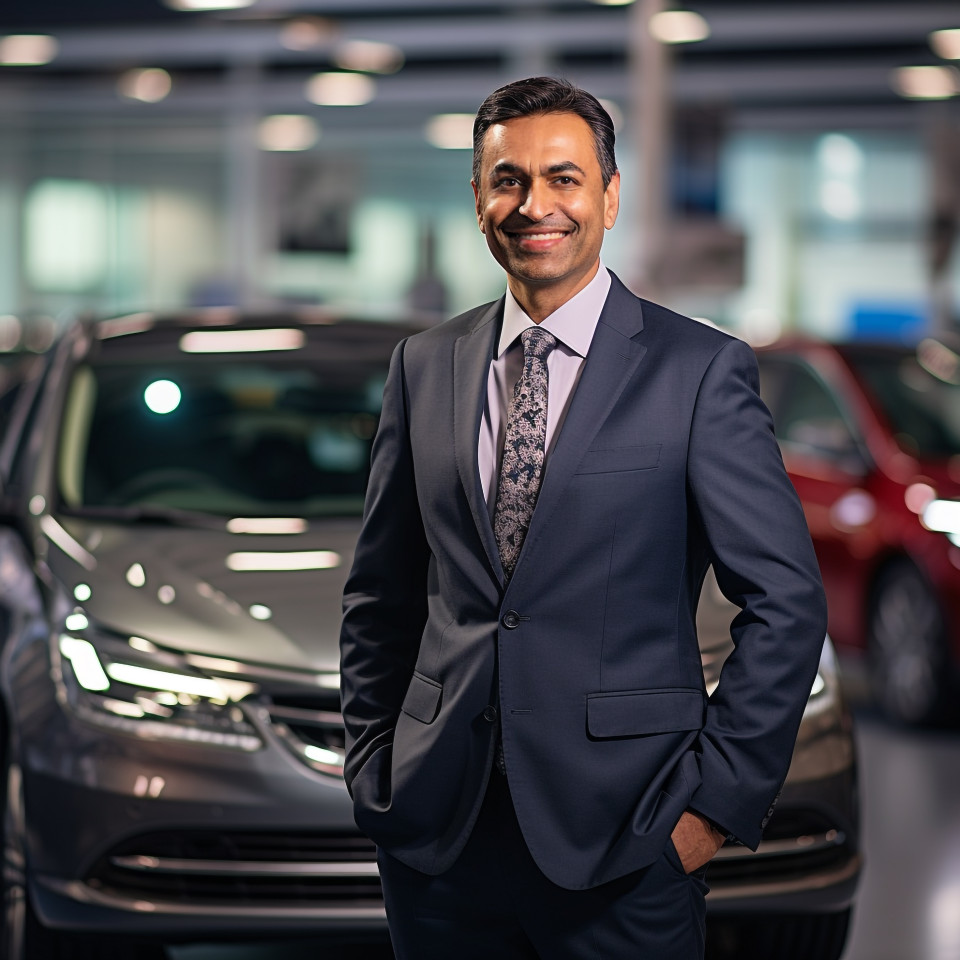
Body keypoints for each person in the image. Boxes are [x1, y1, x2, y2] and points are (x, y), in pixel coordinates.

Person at [339, 76, 827, 960]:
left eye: (563, 178)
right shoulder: (424, 364)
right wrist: (375, 771)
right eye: (509, 180)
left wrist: (711, 808)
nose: (536, 205)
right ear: (479, 201)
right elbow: (382, 593)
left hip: (627, 842)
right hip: (439, 842)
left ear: (608, 196)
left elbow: (787, 605)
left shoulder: (698, 371)